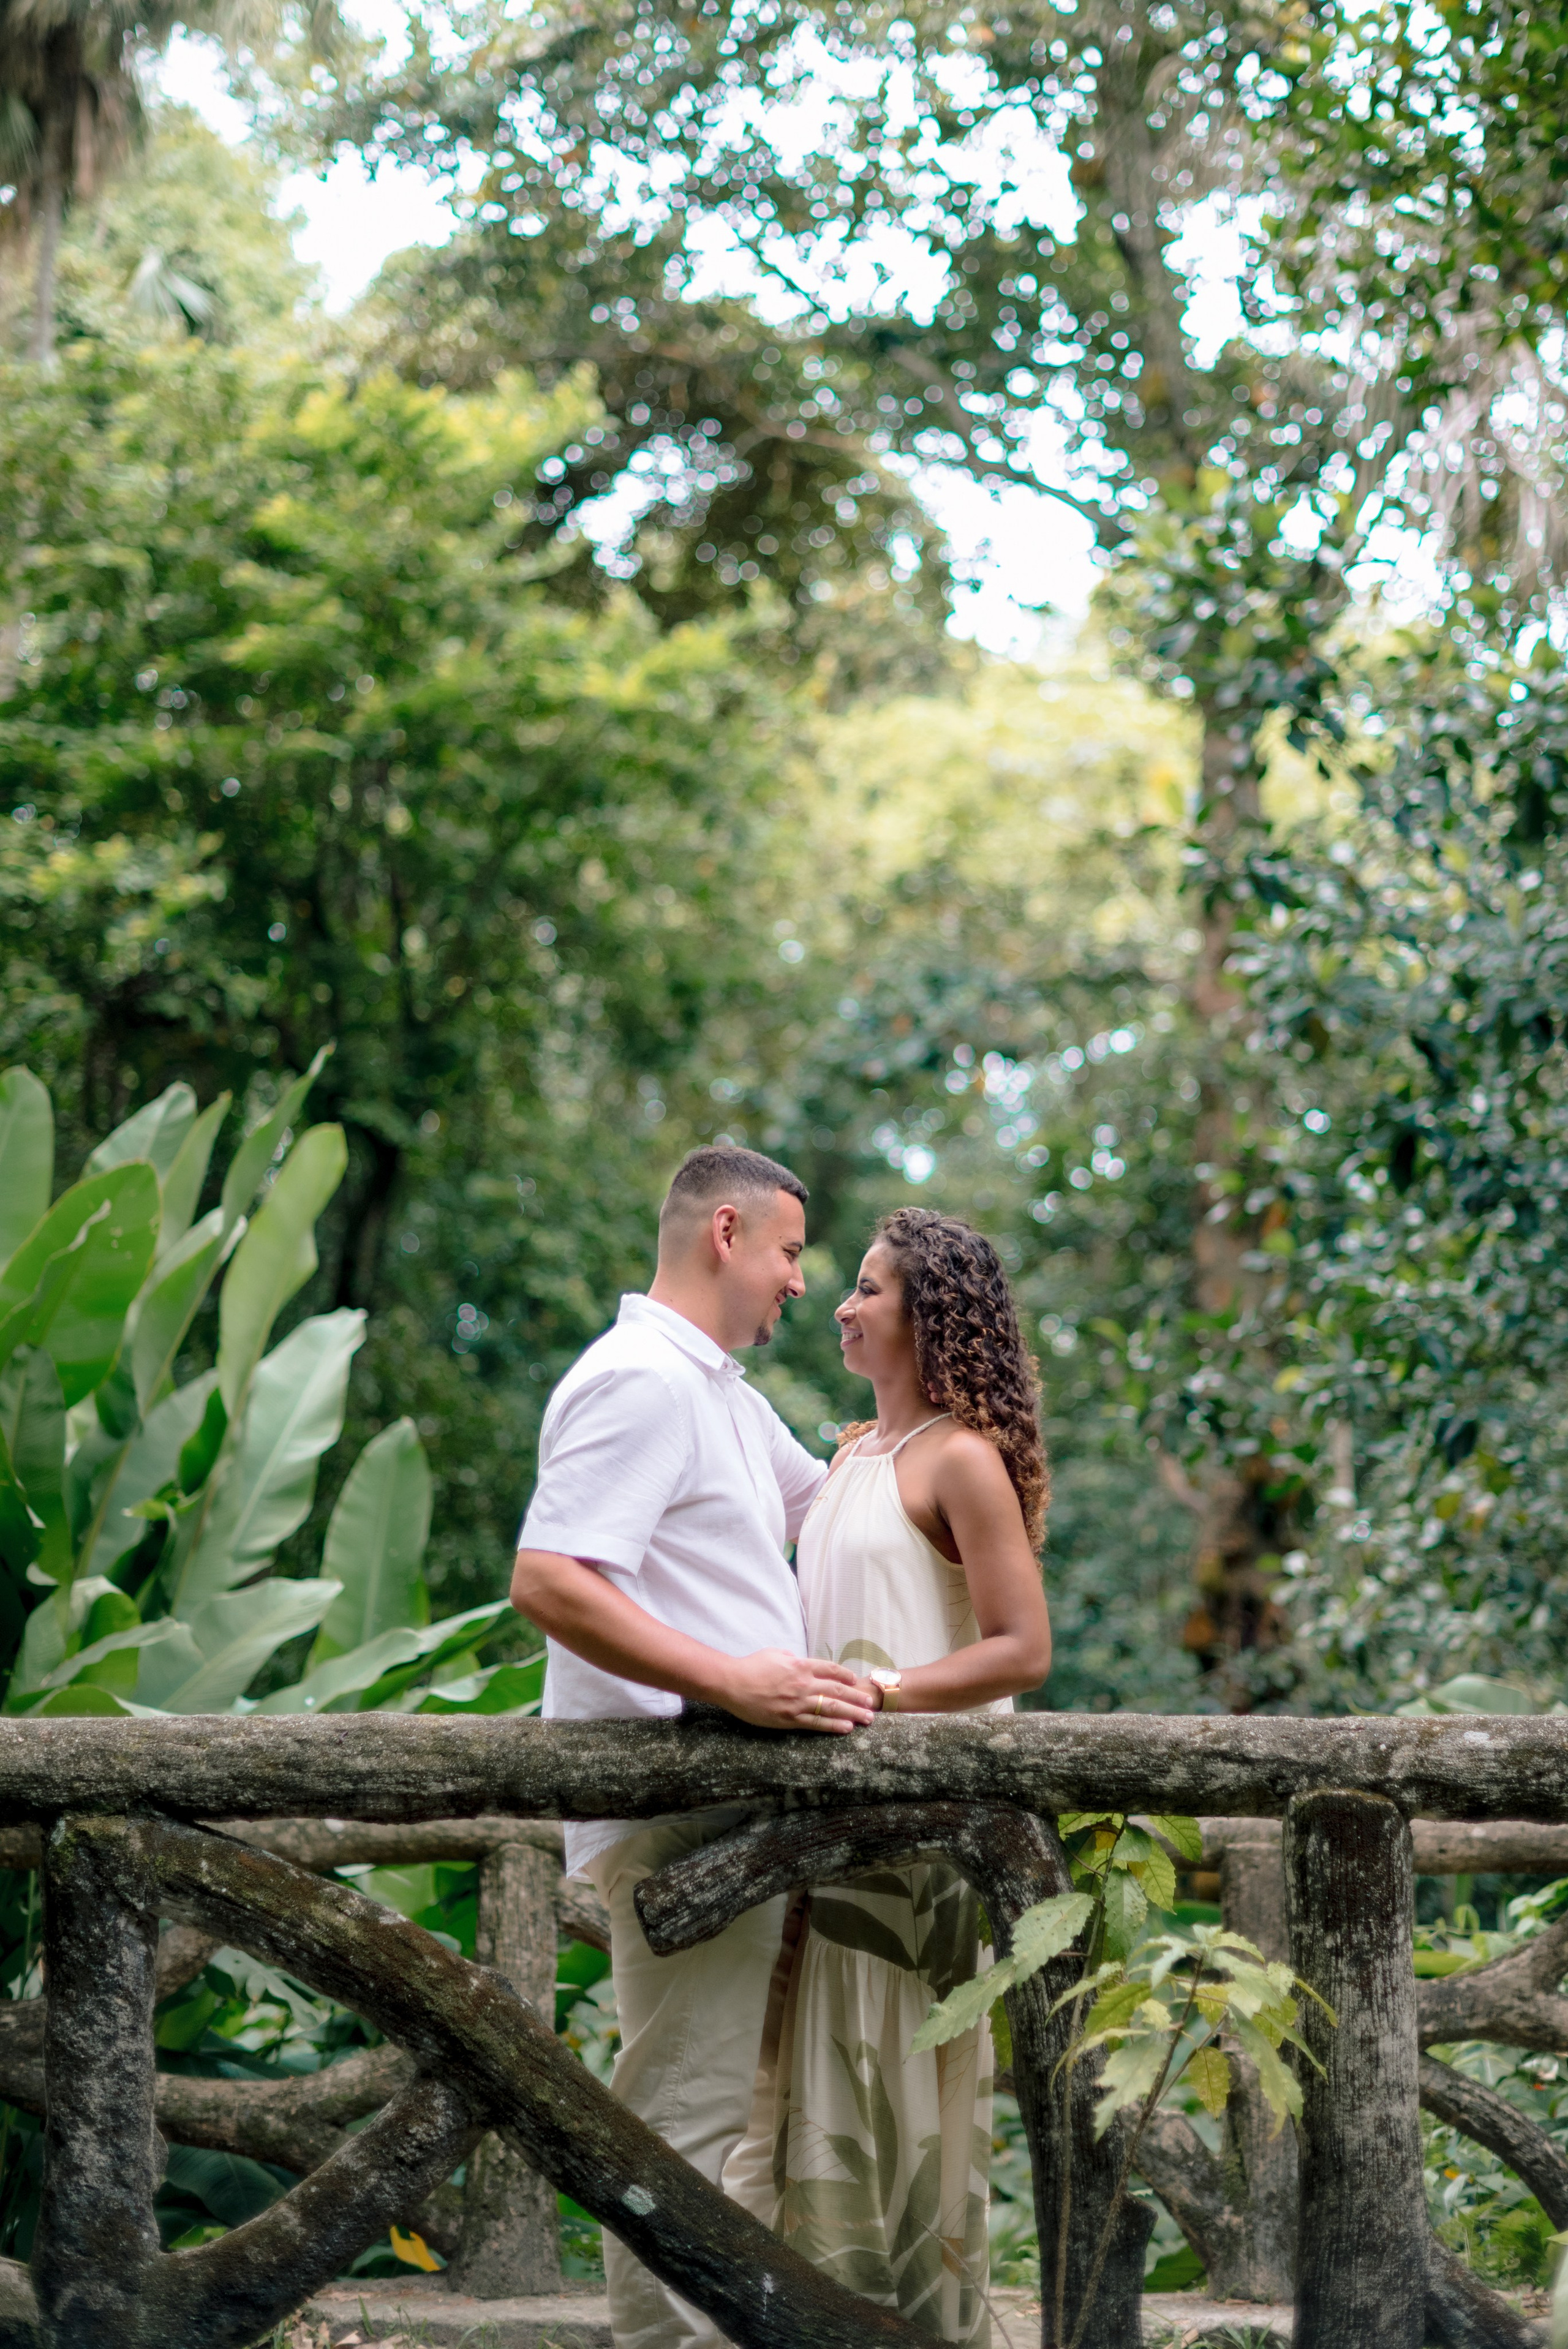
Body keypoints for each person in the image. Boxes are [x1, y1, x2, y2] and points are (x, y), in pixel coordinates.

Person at [510, 1144, 875, 2349]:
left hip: (737, 1807)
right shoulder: (641, 1381)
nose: (799, 1284)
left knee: (739, 2118)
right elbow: (551, 1579)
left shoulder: (718, 1391)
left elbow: (832, 1504)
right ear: (726, 1232)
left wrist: (946, 1416)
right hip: (676, 1804)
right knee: (684, 2114)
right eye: (789, 1253)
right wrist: (732, 1680)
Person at [729, 1206, 1052, 2347]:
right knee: (804, 2096)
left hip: (925, 1846)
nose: (841, 1305)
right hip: (819, 1833)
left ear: (930, 1316)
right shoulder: (851, 1456)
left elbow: (1024, 1647)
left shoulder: (961, 1459)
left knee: (905, 2103)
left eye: (868, 1288)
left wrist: (882, 1692)